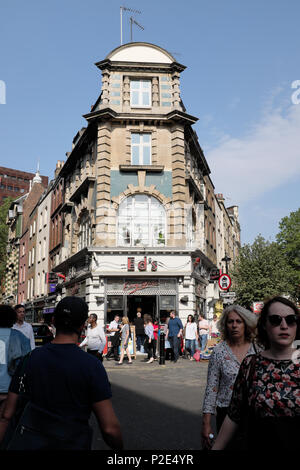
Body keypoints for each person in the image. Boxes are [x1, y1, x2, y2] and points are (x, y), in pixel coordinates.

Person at [0, 296, 123, 450]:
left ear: (53, 321)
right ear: (82, 325)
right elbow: (110, 428)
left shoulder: (31, 358)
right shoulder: (92, 366)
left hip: (31, 442)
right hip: (72, 442)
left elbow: (7, 414)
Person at [212, 296, 300, 450]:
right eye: (275, 320)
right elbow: (234, 415)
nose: (284, 326)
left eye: (291, 319)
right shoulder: (250, 364)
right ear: (264, 325)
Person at [201, 304, 259, 449]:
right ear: (225, 325)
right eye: (230, 321)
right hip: (226, 413)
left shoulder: (258, 349)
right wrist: (206, 424)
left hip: (254, 414)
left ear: (246, 324)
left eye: (238, 321)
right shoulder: (219, 352)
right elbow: (211, 389)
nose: (234, 325)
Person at [0, 305, 31, 419]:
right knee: (6, 422)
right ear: (13, 319)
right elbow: (27, 365)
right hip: (11, 390)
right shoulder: (20, 337)